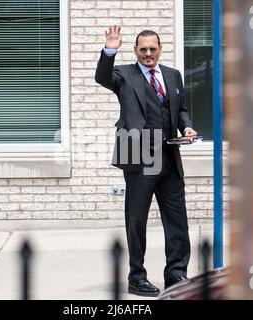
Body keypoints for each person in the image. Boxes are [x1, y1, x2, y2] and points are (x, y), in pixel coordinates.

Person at [95, 25, 198, 297]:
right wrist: (110, 50)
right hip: (138, 153)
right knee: (137, 220)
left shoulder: (173, 75)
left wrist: (186, 128)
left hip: (169, 155)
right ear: (135, 51)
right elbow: (102, 77)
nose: (148, 54)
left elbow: (182, 110)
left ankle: (176, 273)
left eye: (153, 49)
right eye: (143, 49)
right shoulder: (124, 74)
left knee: (177, 220)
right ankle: (137, 277)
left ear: (160, 49)